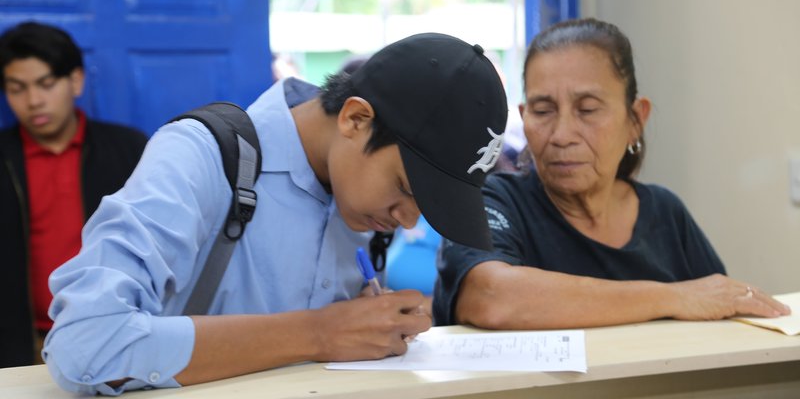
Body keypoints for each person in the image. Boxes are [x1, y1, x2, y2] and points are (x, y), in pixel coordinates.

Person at [44, 32, 508, 394]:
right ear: (355, 119)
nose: (408, 221)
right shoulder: (201, 158)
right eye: (406, 190)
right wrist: (318, 333)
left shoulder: (360, 201)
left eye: (426, 208)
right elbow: (85, 343)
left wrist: (369, 327)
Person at [433, 18, 791, 329]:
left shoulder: (666, 212)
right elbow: (490, 296)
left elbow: (718, 312)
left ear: (636, 119)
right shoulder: (494, 202)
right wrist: (672, 297)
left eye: (587, 109)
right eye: (543, 111)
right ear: (524, 117)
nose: (561, 135)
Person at [0, 21, 147, 368]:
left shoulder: (129, 150)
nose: (34, 101)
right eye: (17, 88)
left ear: (76, 81)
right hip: (20, 347)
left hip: (116, 339)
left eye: (46, 84)